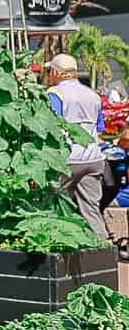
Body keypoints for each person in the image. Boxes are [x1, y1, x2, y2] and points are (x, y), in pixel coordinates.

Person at [45, 53, 120, 255]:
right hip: (94, 159)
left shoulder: (55, 93)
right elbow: (100, 128)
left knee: (54, 203)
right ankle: (104, 255)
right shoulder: (92, 94)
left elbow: (50, 125)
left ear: (55, 72)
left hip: (67, 159)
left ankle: (55, 250)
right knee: (91, 208)